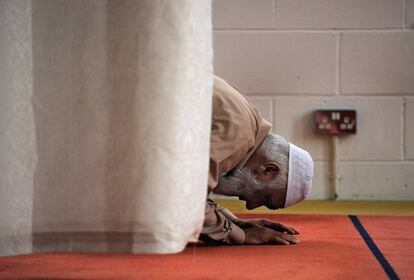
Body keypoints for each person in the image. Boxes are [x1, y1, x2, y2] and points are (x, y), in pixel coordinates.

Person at [200, 76, 313, 245]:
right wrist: (239, 235)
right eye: (266, 200)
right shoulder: (239, 137)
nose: (250, 207)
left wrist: (234, 222)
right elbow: (181, 198)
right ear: (268, 170)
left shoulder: (247, 123)